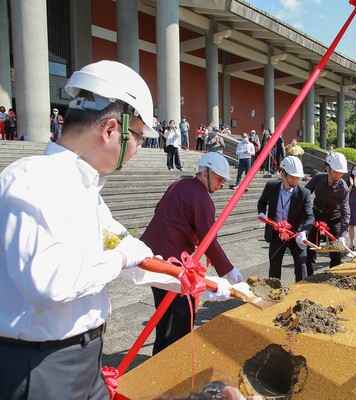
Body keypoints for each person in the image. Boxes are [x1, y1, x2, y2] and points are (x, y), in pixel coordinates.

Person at [0, 60, 176, 399]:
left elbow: (135, 257)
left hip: (85, 360)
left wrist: (207, 285)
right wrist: (121, 256)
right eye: (138, 136)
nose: (138, 149)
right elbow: (50, 284)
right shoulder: (32, 180)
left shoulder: (88, 194)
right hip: (40, 369)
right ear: (112, 129)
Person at [141, 152, 244, 355]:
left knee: (163, 312)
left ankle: (159, 356)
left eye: (223, 180)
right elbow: (209, 239)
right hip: (176, 264)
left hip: (154, 258)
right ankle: (176, 358)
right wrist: (230, 270)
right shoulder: (202, 198)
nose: (221, 184)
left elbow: (159, 210)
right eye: (219, 179)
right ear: (205, 173)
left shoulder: (177, 184)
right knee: (184, 314)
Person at [257, 156, 314, 282]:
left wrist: (304, 232)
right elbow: (262, 202)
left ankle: (300, 292)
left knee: (301, 265)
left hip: (295, 234)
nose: (296, 180)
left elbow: (310, 216)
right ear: (283, 174)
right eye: (293, 176)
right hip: (276, 233)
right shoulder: (271, 186)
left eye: (297, 177)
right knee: (274, 266)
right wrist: (262, 213)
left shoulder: (304, 193)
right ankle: (273, 292)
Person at [304, 152, 350, 275]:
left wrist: (342, 234)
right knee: (311, 249)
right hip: (316, 214)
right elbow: (305, 194)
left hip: (334, 217)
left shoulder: (343, 187)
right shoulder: (318, 178)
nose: (339, 175)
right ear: (327, 168)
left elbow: (345, 212)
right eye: (336, 171)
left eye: (341, 173)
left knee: (337, 251)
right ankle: (309, 276)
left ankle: (332, 276)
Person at [347, 165, 356, 251]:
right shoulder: (349, 179)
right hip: (351, 203)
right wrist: (351, 185)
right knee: (351, 225)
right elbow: (346, 193)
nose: (355, 171)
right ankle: (351, 243)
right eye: (354, 169)